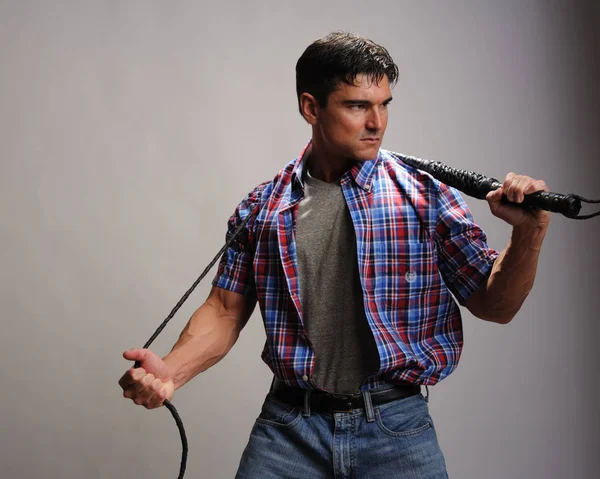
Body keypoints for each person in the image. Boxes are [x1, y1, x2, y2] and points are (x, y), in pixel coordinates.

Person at [118, 31, 550, 478]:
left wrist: (530, 233)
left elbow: (496, 305)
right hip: (290, 431)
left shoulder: (425, 196)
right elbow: (225, 312)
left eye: (384, 104)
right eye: (358, 105)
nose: (377, 122)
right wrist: (170, 372)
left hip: (397, 428)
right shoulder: (262, 207)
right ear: (311, 107)